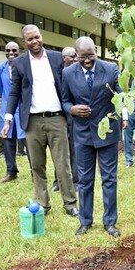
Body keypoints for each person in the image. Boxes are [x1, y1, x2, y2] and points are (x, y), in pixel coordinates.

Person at [62, 36, 135, 236]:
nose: (87, 60)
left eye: (91, 55)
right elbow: (65, 101)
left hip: (108, 132)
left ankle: (110, 222)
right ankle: (85, 221)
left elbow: (122, 94)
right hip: (82, 134)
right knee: (84, 180)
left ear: (96, 52)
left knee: (109, 179)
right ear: (76, 56)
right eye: (82, 57)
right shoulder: (67, 73)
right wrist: (73, 109)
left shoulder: (110, 69)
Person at [1, 24, 78, 217]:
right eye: (29, 39)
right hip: (32, 122)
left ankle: (70, 203)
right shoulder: (19, 63)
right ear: (24, 42)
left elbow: (67, 85)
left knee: (62, 164)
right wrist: (8, 119)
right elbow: (15, 92)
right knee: (37, 165)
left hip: (57, 119)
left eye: (36, 37)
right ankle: (43, 204)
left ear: (41, 36)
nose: (34, 41)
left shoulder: (55, 58)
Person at [0, 41, 30, 183]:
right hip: (6, 108)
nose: (11, 53)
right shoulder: (0, 68)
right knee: (8, 141)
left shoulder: (26, 66)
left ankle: (36, 173)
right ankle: (11, 172)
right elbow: (0, 88)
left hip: (23, 108)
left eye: (14, 50)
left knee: (29, 141)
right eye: (8, 50)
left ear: (19, 51)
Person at [50, 46, 79, 191]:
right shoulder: (56, 74)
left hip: (74, 117)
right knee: (59, 151)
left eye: (75, 56)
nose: (74, 59)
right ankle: (58, 181)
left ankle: (76, 181)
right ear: (64, 58)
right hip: (59, 117)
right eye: (71, 56)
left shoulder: (77, 73)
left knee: (74, 149)